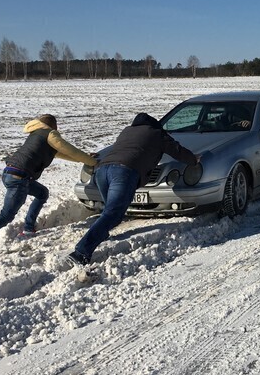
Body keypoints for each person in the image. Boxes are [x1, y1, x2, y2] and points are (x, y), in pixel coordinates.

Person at [68, 112, 198, 266]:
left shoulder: (127, 131)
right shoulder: (156, 134)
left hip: (102, 171)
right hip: (123, 172)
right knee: (113, 214)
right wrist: (193, 160)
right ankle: (81, 252)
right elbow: (177, 151)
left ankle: (99, 235)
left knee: (109, 211)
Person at [0, 114, 98, 253]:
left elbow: (63, 154)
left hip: (11, 174)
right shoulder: (50, 134)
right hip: (19, 178)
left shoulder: (37, 134)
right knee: (5, 216)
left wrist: (85, 158)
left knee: (42, 193)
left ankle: (29, 228)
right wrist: (92, 162)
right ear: (53, 126)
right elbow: (69, 149)